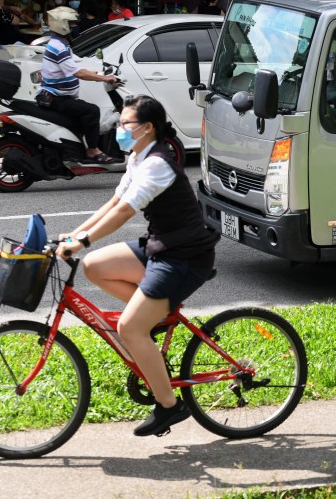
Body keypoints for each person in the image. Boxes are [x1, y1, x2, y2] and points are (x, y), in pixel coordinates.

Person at [56, 95, 220, 437]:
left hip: (184, 258)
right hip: (160, 246)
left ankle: (170, 407)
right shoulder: (137, 158)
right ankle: (154, 313)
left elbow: (125, 212)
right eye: (118, 124)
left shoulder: (157, 164)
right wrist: (74, 235)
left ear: (147, 128)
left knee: (130, 329)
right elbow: (113, 201)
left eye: (125, 124)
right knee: (94, 266)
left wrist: (82, 241)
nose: (119, 130)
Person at [39, 6, 120, 164]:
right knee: (92, 111)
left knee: (84, 110)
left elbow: (72, 68)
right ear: (61, 25)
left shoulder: (60, 43)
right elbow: (77, 73)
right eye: (71, 24)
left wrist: (94, 73)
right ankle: (92, 150)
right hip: (57, 98)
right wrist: (105, 79)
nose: (74, 26)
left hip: (58, 96)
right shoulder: (58, 47)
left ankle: (79, 148)